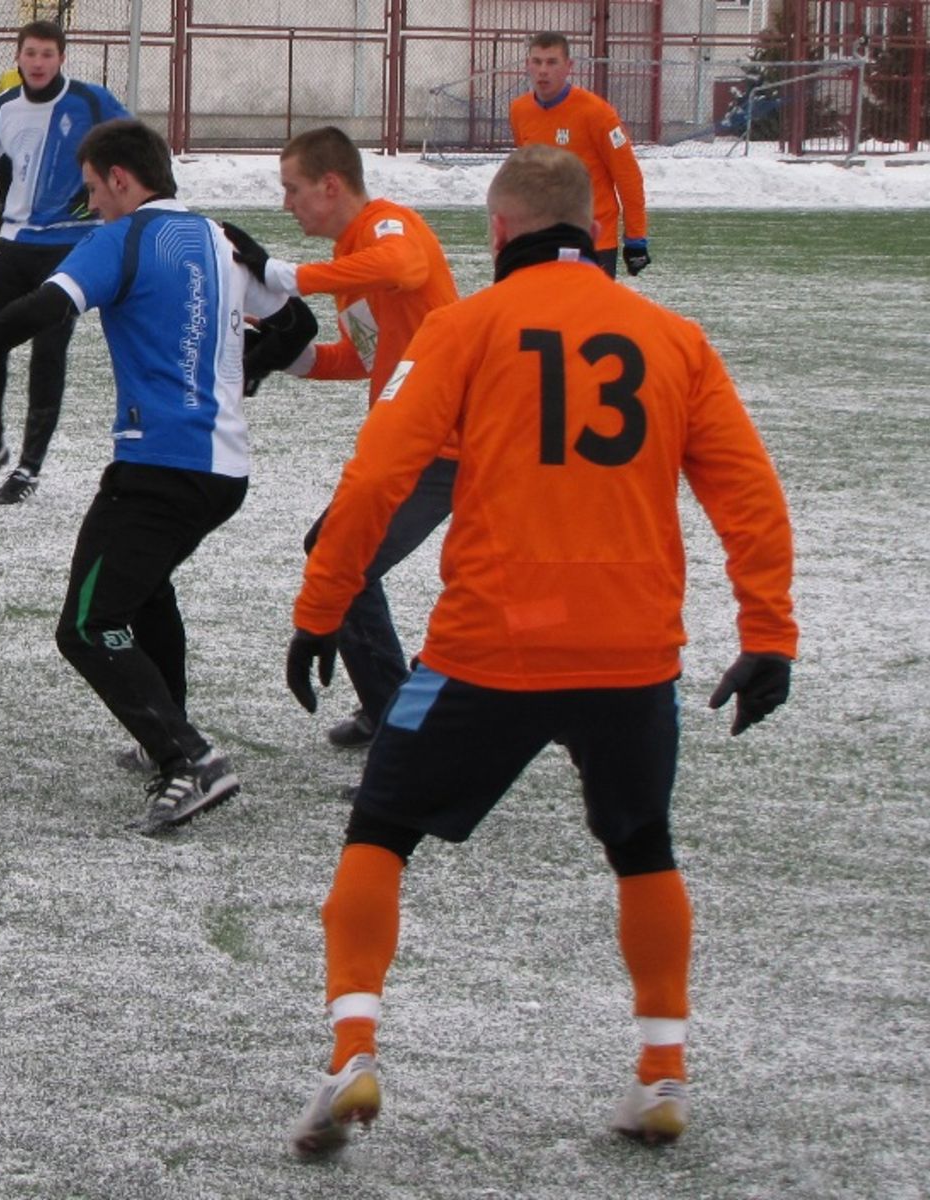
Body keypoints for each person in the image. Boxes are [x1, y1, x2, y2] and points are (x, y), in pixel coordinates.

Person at [282, 145, 796, 1157]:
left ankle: (351, 1054)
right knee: (640, 845)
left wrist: (319, 609)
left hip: (488, 648)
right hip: (632, 655)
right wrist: (767, 634)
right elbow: (746, 493)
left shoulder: (464, 328)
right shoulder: (671, 337)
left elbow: (378, 475)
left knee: (379, 829)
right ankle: (658, 1071)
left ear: (501, 232)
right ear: (591, 233)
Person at [0, 118, 314, 833]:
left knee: (87, 624)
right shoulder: (222, 239)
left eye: (92, 190)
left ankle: (187, 759)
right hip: (222, 469)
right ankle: (163, 730)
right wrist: (243, 374)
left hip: (159, 466)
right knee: (142, 593)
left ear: (120, 179)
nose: (90, 205)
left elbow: (49, 307)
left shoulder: (122, 239)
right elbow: (298, 328)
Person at [221, 125, 461, 751]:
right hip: (418, 445)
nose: (286, 204)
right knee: (337, 552)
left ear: (332, 185)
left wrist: (281, 273)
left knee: (340, 555)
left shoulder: (387, 226)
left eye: (293, 189)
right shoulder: (355, 261)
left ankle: (400, 720)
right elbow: (363, 357)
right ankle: (395, 708)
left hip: (447, 446)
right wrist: (284, 357)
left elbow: (405, 263)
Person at [0, 19, 130, 505]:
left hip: (72, 246)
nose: (38, 63)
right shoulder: (2, 109)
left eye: (47, 54)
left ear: (62, 58)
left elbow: (137, 147)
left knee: (48, 349)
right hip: (14, 244)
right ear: (18, 58)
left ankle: (29, 467)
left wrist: (94, 190)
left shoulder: (91, 102)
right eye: (30, 54)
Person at [509, 32, 650, 278]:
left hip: (593, 242)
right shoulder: (519, 111)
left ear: (569, 67)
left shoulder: (597, 114)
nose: (543, 70)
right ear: (527, 65)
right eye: (537, 61)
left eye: (552, 62)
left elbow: (628, 177)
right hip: (542, 242)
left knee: (590, 316)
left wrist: (636, 238)